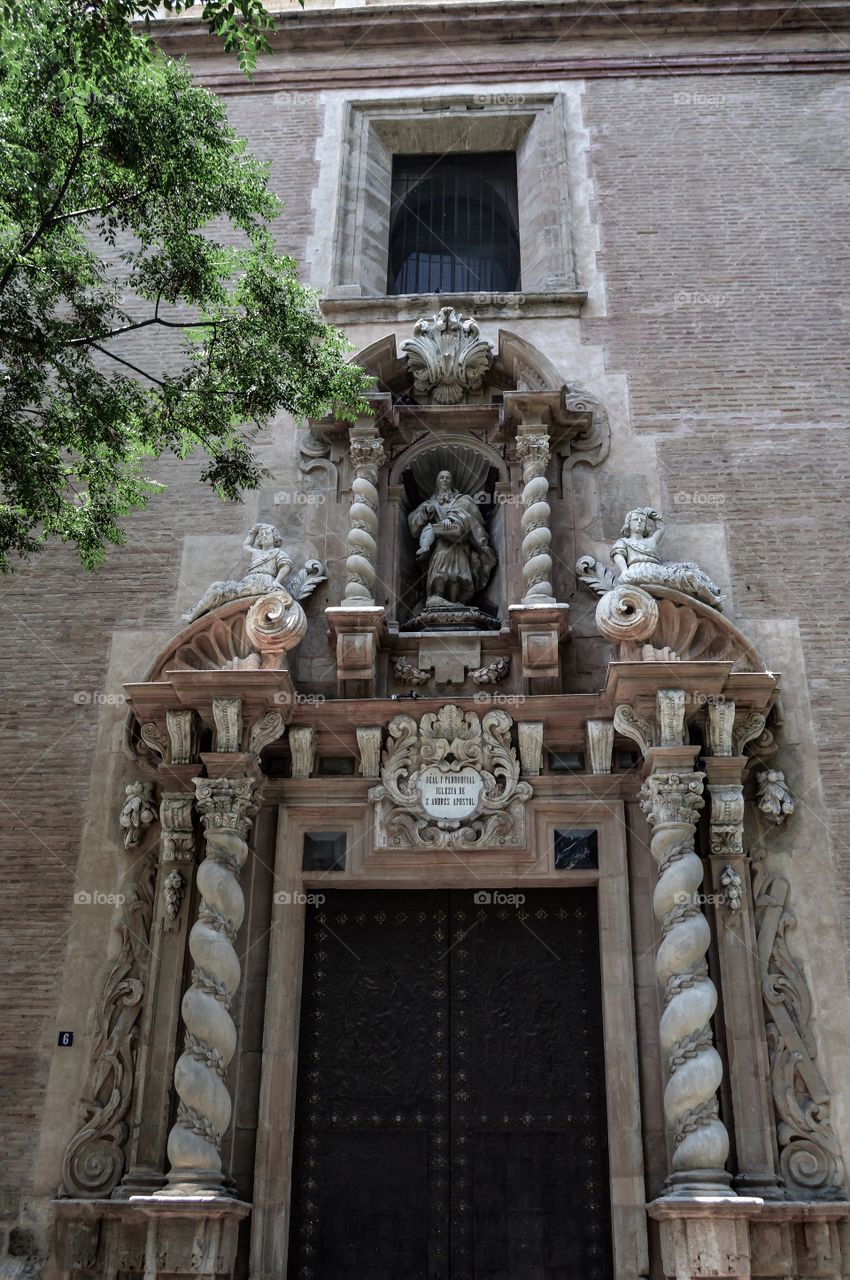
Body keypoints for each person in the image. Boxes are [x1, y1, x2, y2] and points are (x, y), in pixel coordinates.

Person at [409, 470, 496, 607]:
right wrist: (424, 513)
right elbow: (413, 526)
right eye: (441, 477)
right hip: (440, 543)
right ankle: (437, 597)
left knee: (458, 575)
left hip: (460, 544)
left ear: (452, 482)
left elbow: (471, 516)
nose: (444, 480)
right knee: (440, 571)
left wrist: (452, 518)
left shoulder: (462, 500)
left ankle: (455, 602)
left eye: (448, 478)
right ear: (437, 482)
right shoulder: (430, 503)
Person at [611, 507, 724, 610]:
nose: (639, 522)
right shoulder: (624, 542)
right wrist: (625, 571)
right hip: (640, 569)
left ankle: (712, 590)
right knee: (688, 576)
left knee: (692, 567)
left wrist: (652, 514)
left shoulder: (651, 541)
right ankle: (712, 599)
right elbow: (618, 554)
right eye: (636, 519)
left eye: (643, 520)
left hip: (656, 567)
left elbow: (661, 527)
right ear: (629, 524)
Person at [182, 523, 294, 623]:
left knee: (219, 592)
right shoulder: (256, 552)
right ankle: (194, 613)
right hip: (248, 582)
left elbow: (285, 566)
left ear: (274, 538)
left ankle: (194, 615)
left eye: (267, 534)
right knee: (216, 586)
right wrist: (253, 531)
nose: (264, 536)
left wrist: (276, 582)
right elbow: (246, 546)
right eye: (262, 535)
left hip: (263, 583)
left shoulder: (277, 552)